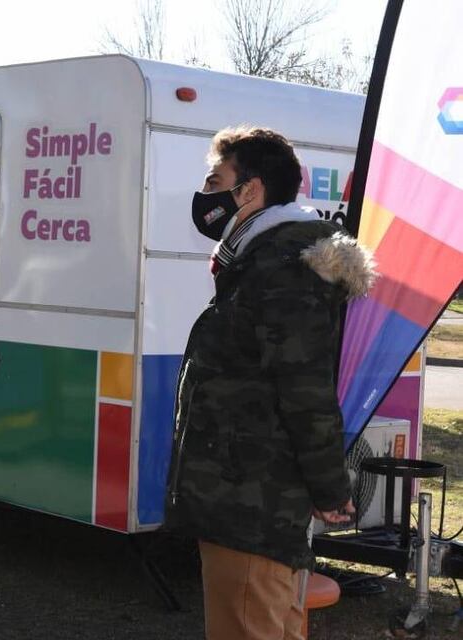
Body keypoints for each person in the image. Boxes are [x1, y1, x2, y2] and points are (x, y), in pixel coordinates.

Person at [165, 126, 376, 639]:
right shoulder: (260, 262)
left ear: (250, 190)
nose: (205, 194)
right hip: (245, 498)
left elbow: (305, 392)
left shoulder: (281, 271)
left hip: (253, 505)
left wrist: (330, 488)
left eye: (216, 179)